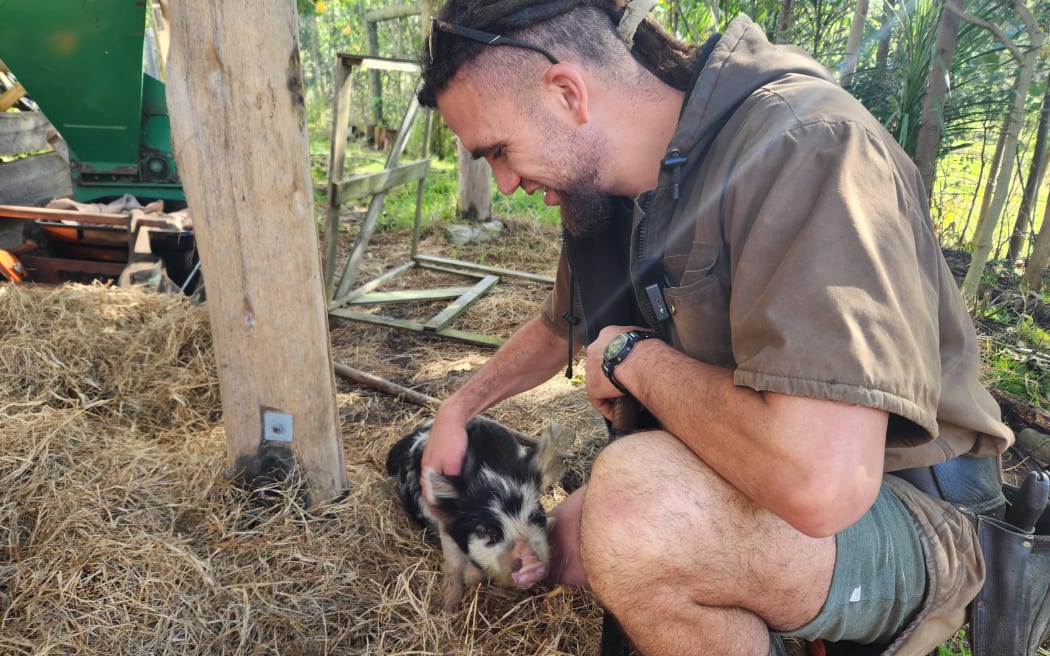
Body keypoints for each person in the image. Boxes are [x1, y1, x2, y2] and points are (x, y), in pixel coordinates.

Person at [414, 1, 1018, 654]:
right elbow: (561, 324)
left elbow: (822, 486)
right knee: (556, 545)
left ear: (566, 92)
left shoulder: (805, 146)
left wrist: (631, 356)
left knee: (632, 511)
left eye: (500, 152)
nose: (503, 184)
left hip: (915, 515)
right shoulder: (606, 197)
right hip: (747, 475)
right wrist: (460, 406)